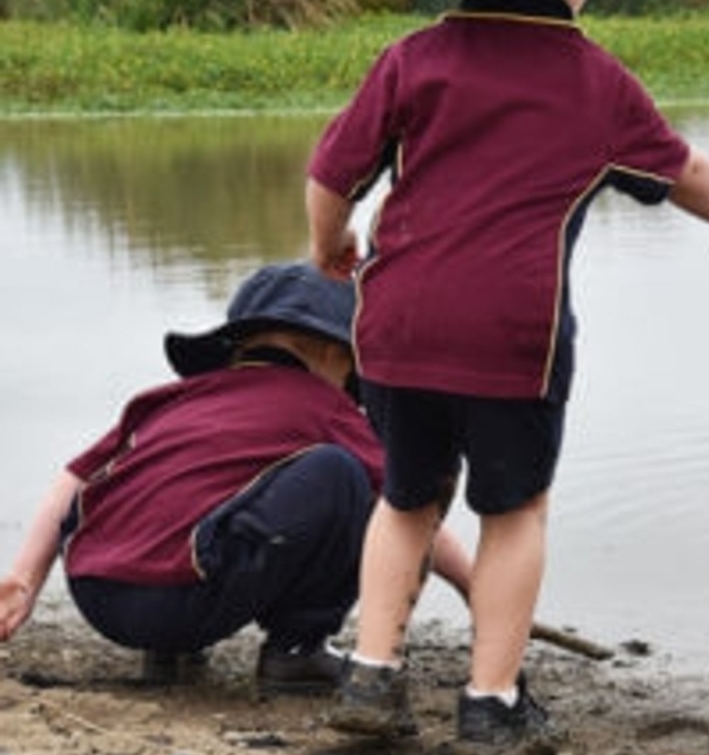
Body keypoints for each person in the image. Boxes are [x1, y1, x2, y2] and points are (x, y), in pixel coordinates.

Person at [305, 0, 709, 755]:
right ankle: (489, 705)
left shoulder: (411, 60)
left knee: (405, 499)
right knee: (513, 512)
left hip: (393, 328)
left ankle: (373, 674)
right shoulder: (595, 82)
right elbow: (683, 171)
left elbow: (331, 173)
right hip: (514, 342)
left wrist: (331, 247)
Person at [0, 260, 471, 691]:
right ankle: (296, 649)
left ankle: (169, 653)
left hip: (97, 595)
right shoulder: (328, 408)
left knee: (167, 490)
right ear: (329, 352)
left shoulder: (169, 399)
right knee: (342, 474)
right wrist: (474, 587)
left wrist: (24, 580)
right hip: (181, 603)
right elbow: (409, 505)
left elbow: (73, 480)